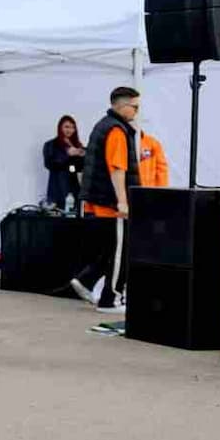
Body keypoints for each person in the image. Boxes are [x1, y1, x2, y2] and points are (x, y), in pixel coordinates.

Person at [69, 87, 141, 315]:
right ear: (122, 106)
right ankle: (111, 299)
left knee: (111, 249)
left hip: (101, 199)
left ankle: (86, 280)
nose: (137, 112)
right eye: (135, 107)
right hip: (112, 202)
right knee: (121, 252)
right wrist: (123, 202)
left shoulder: (102, 125)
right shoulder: (117, 130)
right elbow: (117, 168)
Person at [41, 115, 85, 210]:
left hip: (74, 189)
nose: (70, 130)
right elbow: (49, 164)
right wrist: (67, 154)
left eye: (72, 127)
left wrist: (83, 155)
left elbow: (78, 168)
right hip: (58, 189)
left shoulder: (78, 145)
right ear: (60, 128)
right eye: (66, 127)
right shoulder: (51, 145)